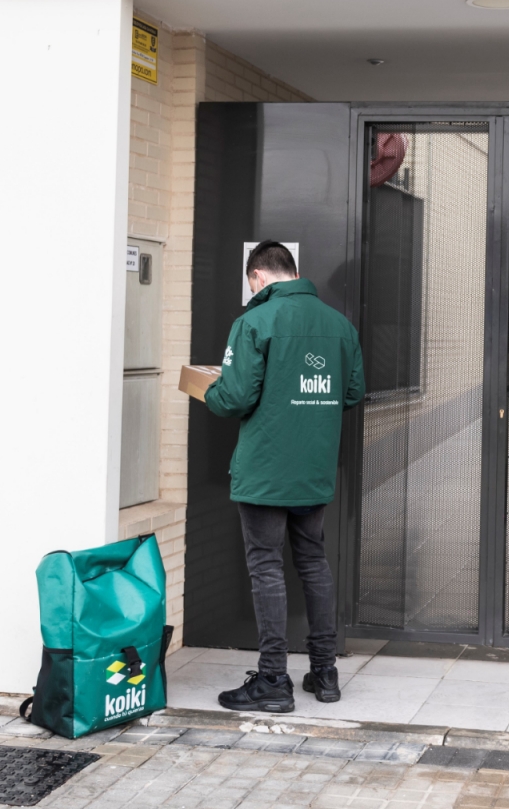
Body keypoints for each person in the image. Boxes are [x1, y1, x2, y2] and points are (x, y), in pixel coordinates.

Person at [203, 240, 365, 713]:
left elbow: (232, 399)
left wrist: (210, 389)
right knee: (313, 562)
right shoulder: (339, 325)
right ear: (293, 272)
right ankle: (325, 671)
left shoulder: (253, 322)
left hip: (266, 470)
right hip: (313, 467)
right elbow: (352, 392)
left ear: (258, 277)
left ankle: (274, 679)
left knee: (266, 567)